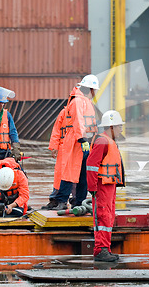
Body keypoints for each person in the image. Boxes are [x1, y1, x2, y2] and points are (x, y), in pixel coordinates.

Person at [42, 74, 99, 210]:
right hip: (77, 142)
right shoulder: (78, 101)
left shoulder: (84, 101)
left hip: (85, 142)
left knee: (82, 174)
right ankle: (62, 201)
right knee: (69, 172)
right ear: (90, 89)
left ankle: (78, 201)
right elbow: (78, 121)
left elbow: (90, 123)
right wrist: (82, 139)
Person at [86, 110, 125, 262]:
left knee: (108, 217)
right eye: (119, 126)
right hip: (102, 185)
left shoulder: (108, 141)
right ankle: (101, 249)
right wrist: (92, 187)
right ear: (112, 126)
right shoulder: (103, 141)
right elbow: (91, 165)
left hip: (109, 184)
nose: (121, 129)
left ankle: (105, 249)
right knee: (103, 216)